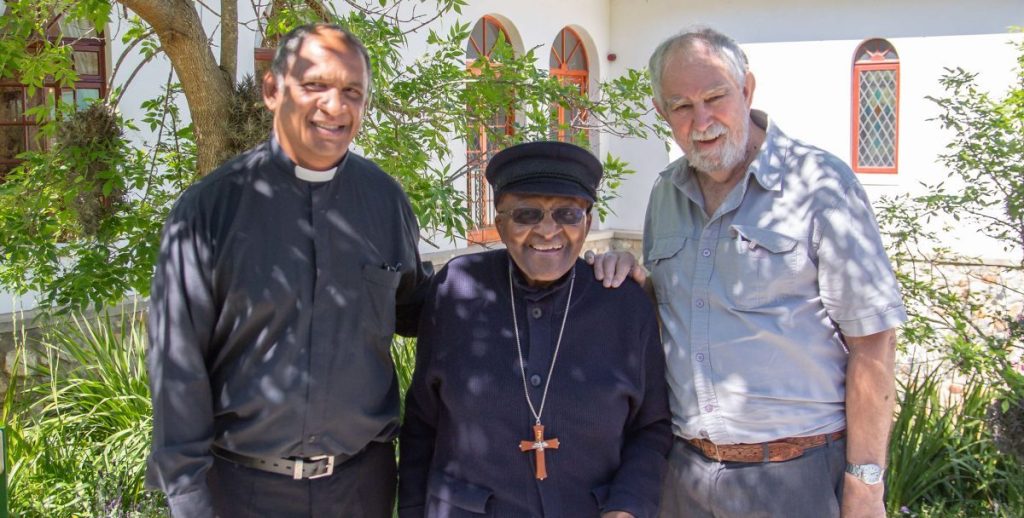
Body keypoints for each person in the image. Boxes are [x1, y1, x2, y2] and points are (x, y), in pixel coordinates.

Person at [145, 24, 431, 517]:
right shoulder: (209, 210)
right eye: (315, 85)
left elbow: (419, 308)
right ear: (272, 90)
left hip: (361, 488)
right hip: (242, 491)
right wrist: (188, 499)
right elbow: (177, 363)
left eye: (352, 92)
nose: (335, 106)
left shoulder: (384, 201)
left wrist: (531, 278)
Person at [640, 28, 907, 517]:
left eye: (715, 98)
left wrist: (866, 485)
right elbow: (662, 313)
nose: (702, 121)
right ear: (662, 113)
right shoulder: (665, 194)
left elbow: (874, 341)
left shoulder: (820, 184)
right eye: (682, 107)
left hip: (795, 478)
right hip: (685, 476)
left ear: (746, 89)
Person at [398, 141, 672, 518]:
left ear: (587, 222)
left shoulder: (623, 304)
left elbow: (652, 427)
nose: (547, 230)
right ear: (500, 224)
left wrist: (628, 506)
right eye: (526, 214)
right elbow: (421, 423)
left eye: (567, 214)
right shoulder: (455, 290)